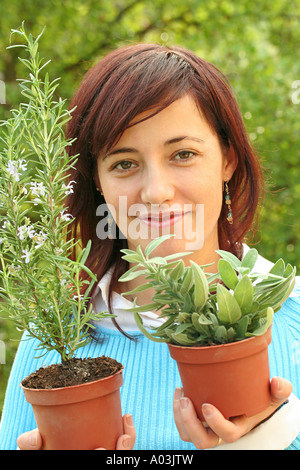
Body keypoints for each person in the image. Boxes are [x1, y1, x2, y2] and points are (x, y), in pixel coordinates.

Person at [0, 43, 299, 451]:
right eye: (124, 163)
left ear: (227, 159)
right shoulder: (56, 339)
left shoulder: (294, 317)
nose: (156, 192)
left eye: (183, 154)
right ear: (98, 183)